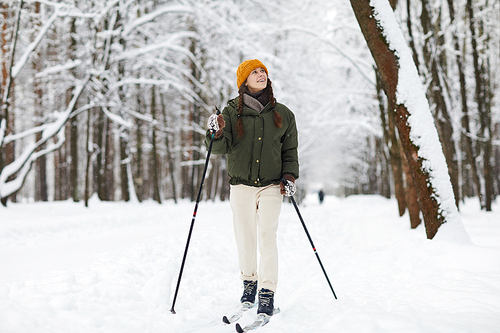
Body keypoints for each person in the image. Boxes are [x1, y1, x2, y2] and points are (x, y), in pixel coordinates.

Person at [206, 59, 299, 317]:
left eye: (263, 72)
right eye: (254, 72)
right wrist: (214, 132)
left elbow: (290, 150)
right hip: (241, 186)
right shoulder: (230, 112)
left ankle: (267, 293)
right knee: (245, 237)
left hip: (271, 185)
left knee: (267, 237)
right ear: (244, 81)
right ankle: (249, 286)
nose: (261, 75)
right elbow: (219, 147)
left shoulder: (283, 113)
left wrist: (289, 177)